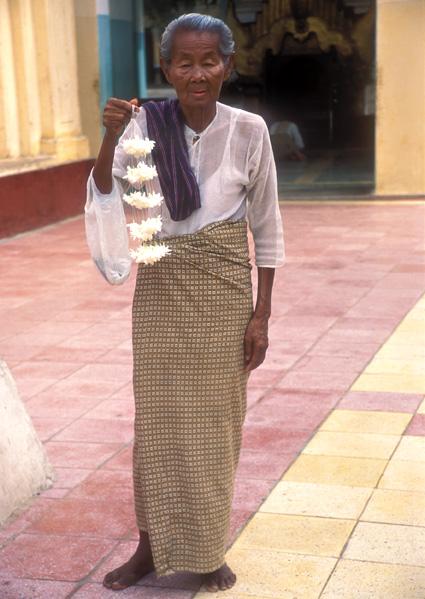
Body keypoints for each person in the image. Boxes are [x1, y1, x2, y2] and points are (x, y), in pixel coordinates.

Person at [86, 13, 284, 593]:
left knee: (217, 426)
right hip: (162, 293)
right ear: (167, 68)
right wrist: (107, 134)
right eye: (184, 62)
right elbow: (102, 189)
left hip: (225, 295)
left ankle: (206, 549)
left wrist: (262, 314)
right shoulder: (143, 122)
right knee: (158, 426)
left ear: (229, 66)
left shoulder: (250, 131)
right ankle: (150, 547)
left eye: (209, 61)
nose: (197, 73)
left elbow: (267, 228)